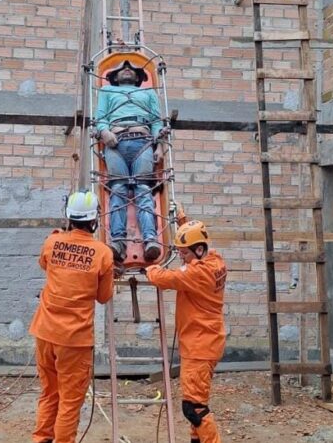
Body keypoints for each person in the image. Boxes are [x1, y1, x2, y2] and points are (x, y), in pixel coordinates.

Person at [28, 191, 115, 443]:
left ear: (69, 217)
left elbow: (45, 264)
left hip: (45, 333)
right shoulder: (102, 253)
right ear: (94, 220)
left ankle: (42, 439)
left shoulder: (51, 242)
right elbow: (103, 296)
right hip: (74, 341)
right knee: (69, 402)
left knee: (49, 393)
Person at [144, 220, 227, 443]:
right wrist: (183, 223)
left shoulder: (198, 272)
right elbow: (197, 240)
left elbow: (164, 278)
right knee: (196, 403)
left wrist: (149, 268)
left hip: (200, 346)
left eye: (184, 254)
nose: (182, 258)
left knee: (194, 408)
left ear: (199, 250)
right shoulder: (214, 258)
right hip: (205, 341)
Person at [95, 59, 170, 263]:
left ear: (138, 77)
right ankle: (118, 242)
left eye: (131, 69)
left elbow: (156, 122)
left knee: (144, 191)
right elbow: (100, 117)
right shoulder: (107, 91)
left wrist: (160, 147)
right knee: (117, 189)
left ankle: (150, 240)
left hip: (143, 142)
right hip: (115, 142)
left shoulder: (148, 93)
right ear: (114, 77)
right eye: (121, 68)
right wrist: (104, 132)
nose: (126, 69)